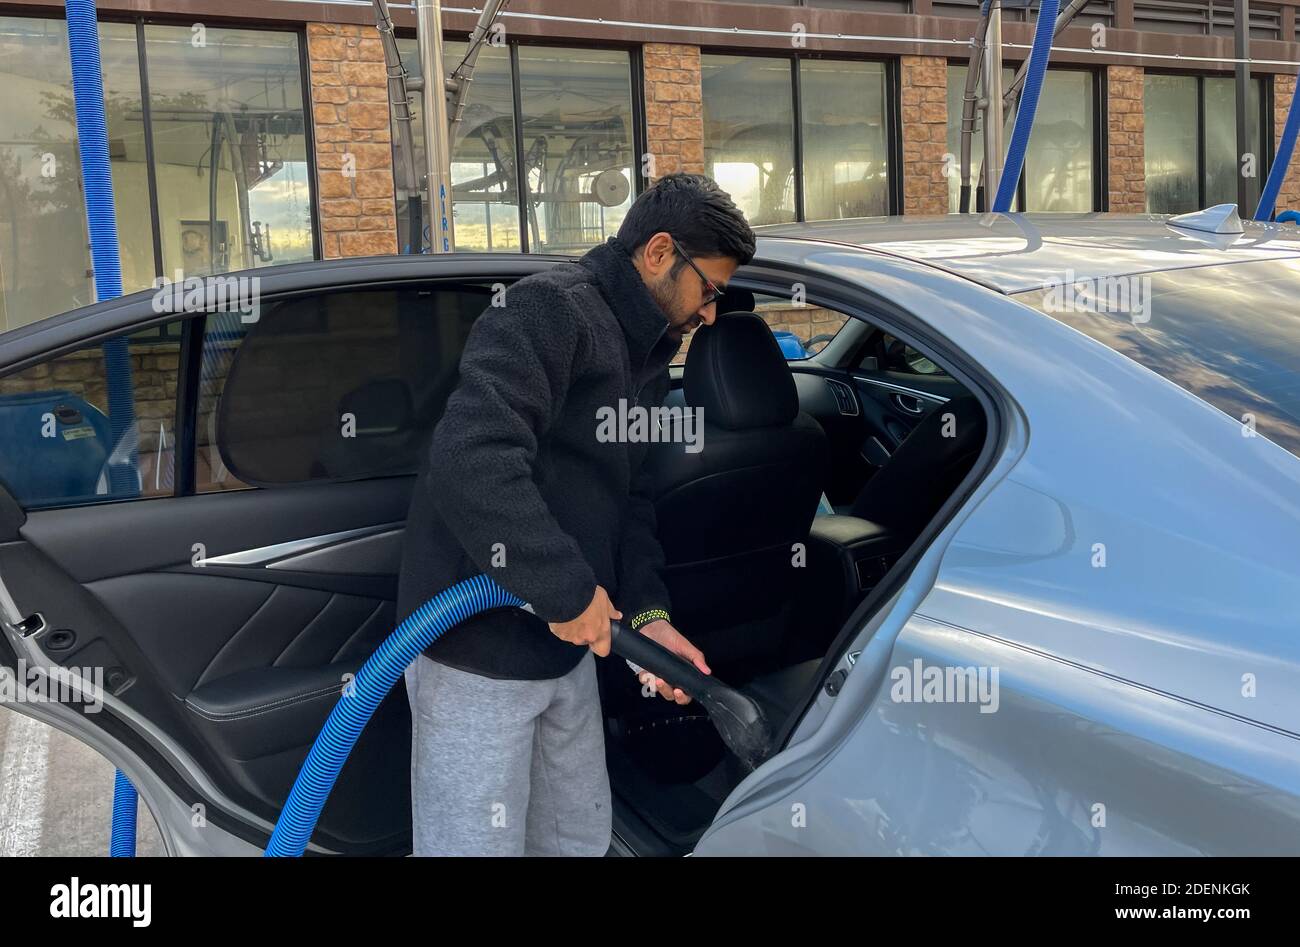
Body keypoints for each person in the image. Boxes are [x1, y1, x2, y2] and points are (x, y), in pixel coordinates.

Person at [398, 172, 757, 856]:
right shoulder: (548, 313)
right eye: (708, 290)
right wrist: (565, 588)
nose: (711, 313)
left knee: (573, 838)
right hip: (477, 651)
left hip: (567, 646)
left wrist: (651, 617)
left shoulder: (651, 351)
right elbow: (471, 455)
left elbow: (633, 497)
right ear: (658, 253)